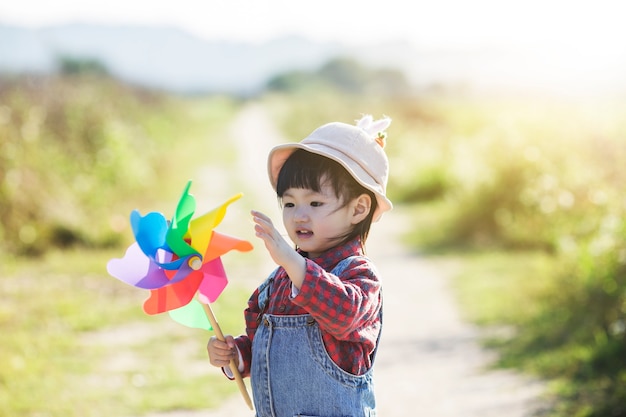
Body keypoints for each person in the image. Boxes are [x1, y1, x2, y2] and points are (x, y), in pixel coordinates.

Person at [207, 114, 393, 417]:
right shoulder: (279, 280)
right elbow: (264, 350)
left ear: (359, 208)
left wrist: (293, 262)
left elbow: (344, 315)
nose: (298, 216)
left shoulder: (359, 274)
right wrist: (235, 356)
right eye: (289, 204)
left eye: (315, 203)